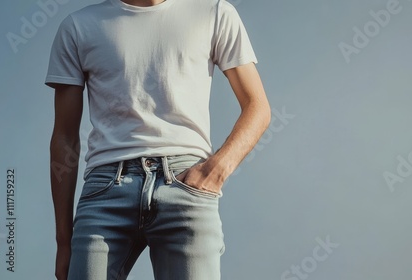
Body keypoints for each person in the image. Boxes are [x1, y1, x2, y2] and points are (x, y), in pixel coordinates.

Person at [45, 0, 271, 279]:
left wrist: (216, 170)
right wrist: (63, 241)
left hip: (185, 183)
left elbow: (257, 107)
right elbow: (65, 138)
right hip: (106, 187)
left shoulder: (214, 13)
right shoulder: (78, 27)